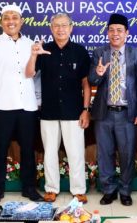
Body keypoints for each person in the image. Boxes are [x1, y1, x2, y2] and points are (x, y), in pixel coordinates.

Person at [0, 4, 43, 204]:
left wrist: (38, 100)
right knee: (0, 150)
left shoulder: (30, 44)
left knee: (28, 150)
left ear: (21, 21)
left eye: (15, 17)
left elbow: (34, 76)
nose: (11, 21)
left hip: (27, 106)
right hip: (2, 106)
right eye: (6, 17)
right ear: (1, 22)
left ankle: (29, 188)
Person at [25, 13, 92, 204]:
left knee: (76, 153)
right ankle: (51, 189)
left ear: (71, 28)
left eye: (64, 25)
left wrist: (86, 109)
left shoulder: (80, 51)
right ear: (51, 28)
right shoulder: (43, 50)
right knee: (50, 153)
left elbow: (86, 83)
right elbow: (29, 74)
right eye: (56, 26)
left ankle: (78, 190)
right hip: (49, 111)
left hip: (74, 111)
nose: (60, 29)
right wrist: (33, 55)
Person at [88, 13, 137, 206]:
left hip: (127, 114)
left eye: (119, 30)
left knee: (127, 154)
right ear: (107, 33)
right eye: (111, 30)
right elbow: (92, 80)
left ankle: (125, 191)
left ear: (126, 33)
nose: (115, 34)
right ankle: (109, 190)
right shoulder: (99, 53)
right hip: (103, 113)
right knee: (104, 154)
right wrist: (98, 74)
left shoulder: (136, 54)